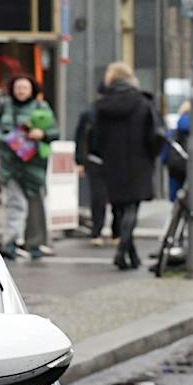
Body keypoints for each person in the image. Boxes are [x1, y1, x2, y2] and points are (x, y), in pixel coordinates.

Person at [89, 61, 164, 271]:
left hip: (112, 161)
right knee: (132, 206)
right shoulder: (143, 103)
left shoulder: (102, 105)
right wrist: (152, 155)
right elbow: (155, 134)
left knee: (120, 207)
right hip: (139, 161)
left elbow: (95, 135)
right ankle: (122, 249)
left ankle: (131, 255)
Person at [0, 73, 58, 261]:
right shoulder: (4, 106)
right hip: (11, 163)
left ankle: (35, 243)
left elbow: (55, 131)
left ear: (32, 90)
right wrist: (4, 138)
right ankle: (10, 242)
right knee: (15, 203)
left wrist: (42, 134)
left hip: (34, 163)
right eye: (18, 87)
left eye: (25, 88)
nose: (21, 91)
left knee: (36, 203)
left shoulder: (41, 107)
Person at [73, 79, 109, 240]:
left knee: (113, 198)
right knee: (98, 197)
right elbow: (81, 138)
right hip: (95, 159)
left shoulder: (118, 113)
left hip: (114, 160)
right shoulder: (89, 114)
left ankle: (114, 231)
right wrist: (80, 161)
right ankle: (97, 230)